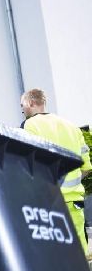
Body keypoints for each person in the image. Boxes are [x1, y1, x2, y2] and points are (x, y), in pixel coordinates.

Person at [21, 88, 91, 252]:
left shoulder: (30, 125)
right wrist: (70, 184)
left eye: (22, 106)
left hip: (49, 202)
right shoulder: (71, 127)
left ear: (30, 102)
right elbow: (86, 167)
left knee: (56, 253)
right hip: (74, 201)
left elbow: (29, 165)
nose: (22, 110)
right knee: (79, 251)